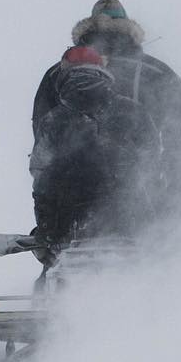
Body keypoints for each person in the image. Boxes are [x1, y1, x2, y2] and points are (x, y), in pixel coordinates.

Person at [32, 0, 181, 216]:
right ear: (129, 31)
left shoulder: (58, 74)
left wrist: (46, 208)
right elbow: (178, 137)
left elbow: (42, 138)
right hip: (142, 198)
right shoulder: (158, 73)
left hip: (70, 202)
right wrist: (179, 189)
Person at [30, 46, 164, 252]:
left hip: (70, 229)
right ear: (102, 72)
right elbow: (152, 164)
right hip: (133, 224)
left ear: (65, 75)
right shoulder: (133, 112)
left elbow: (42, 178)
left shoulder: (54, 120)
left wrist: (47, 227)